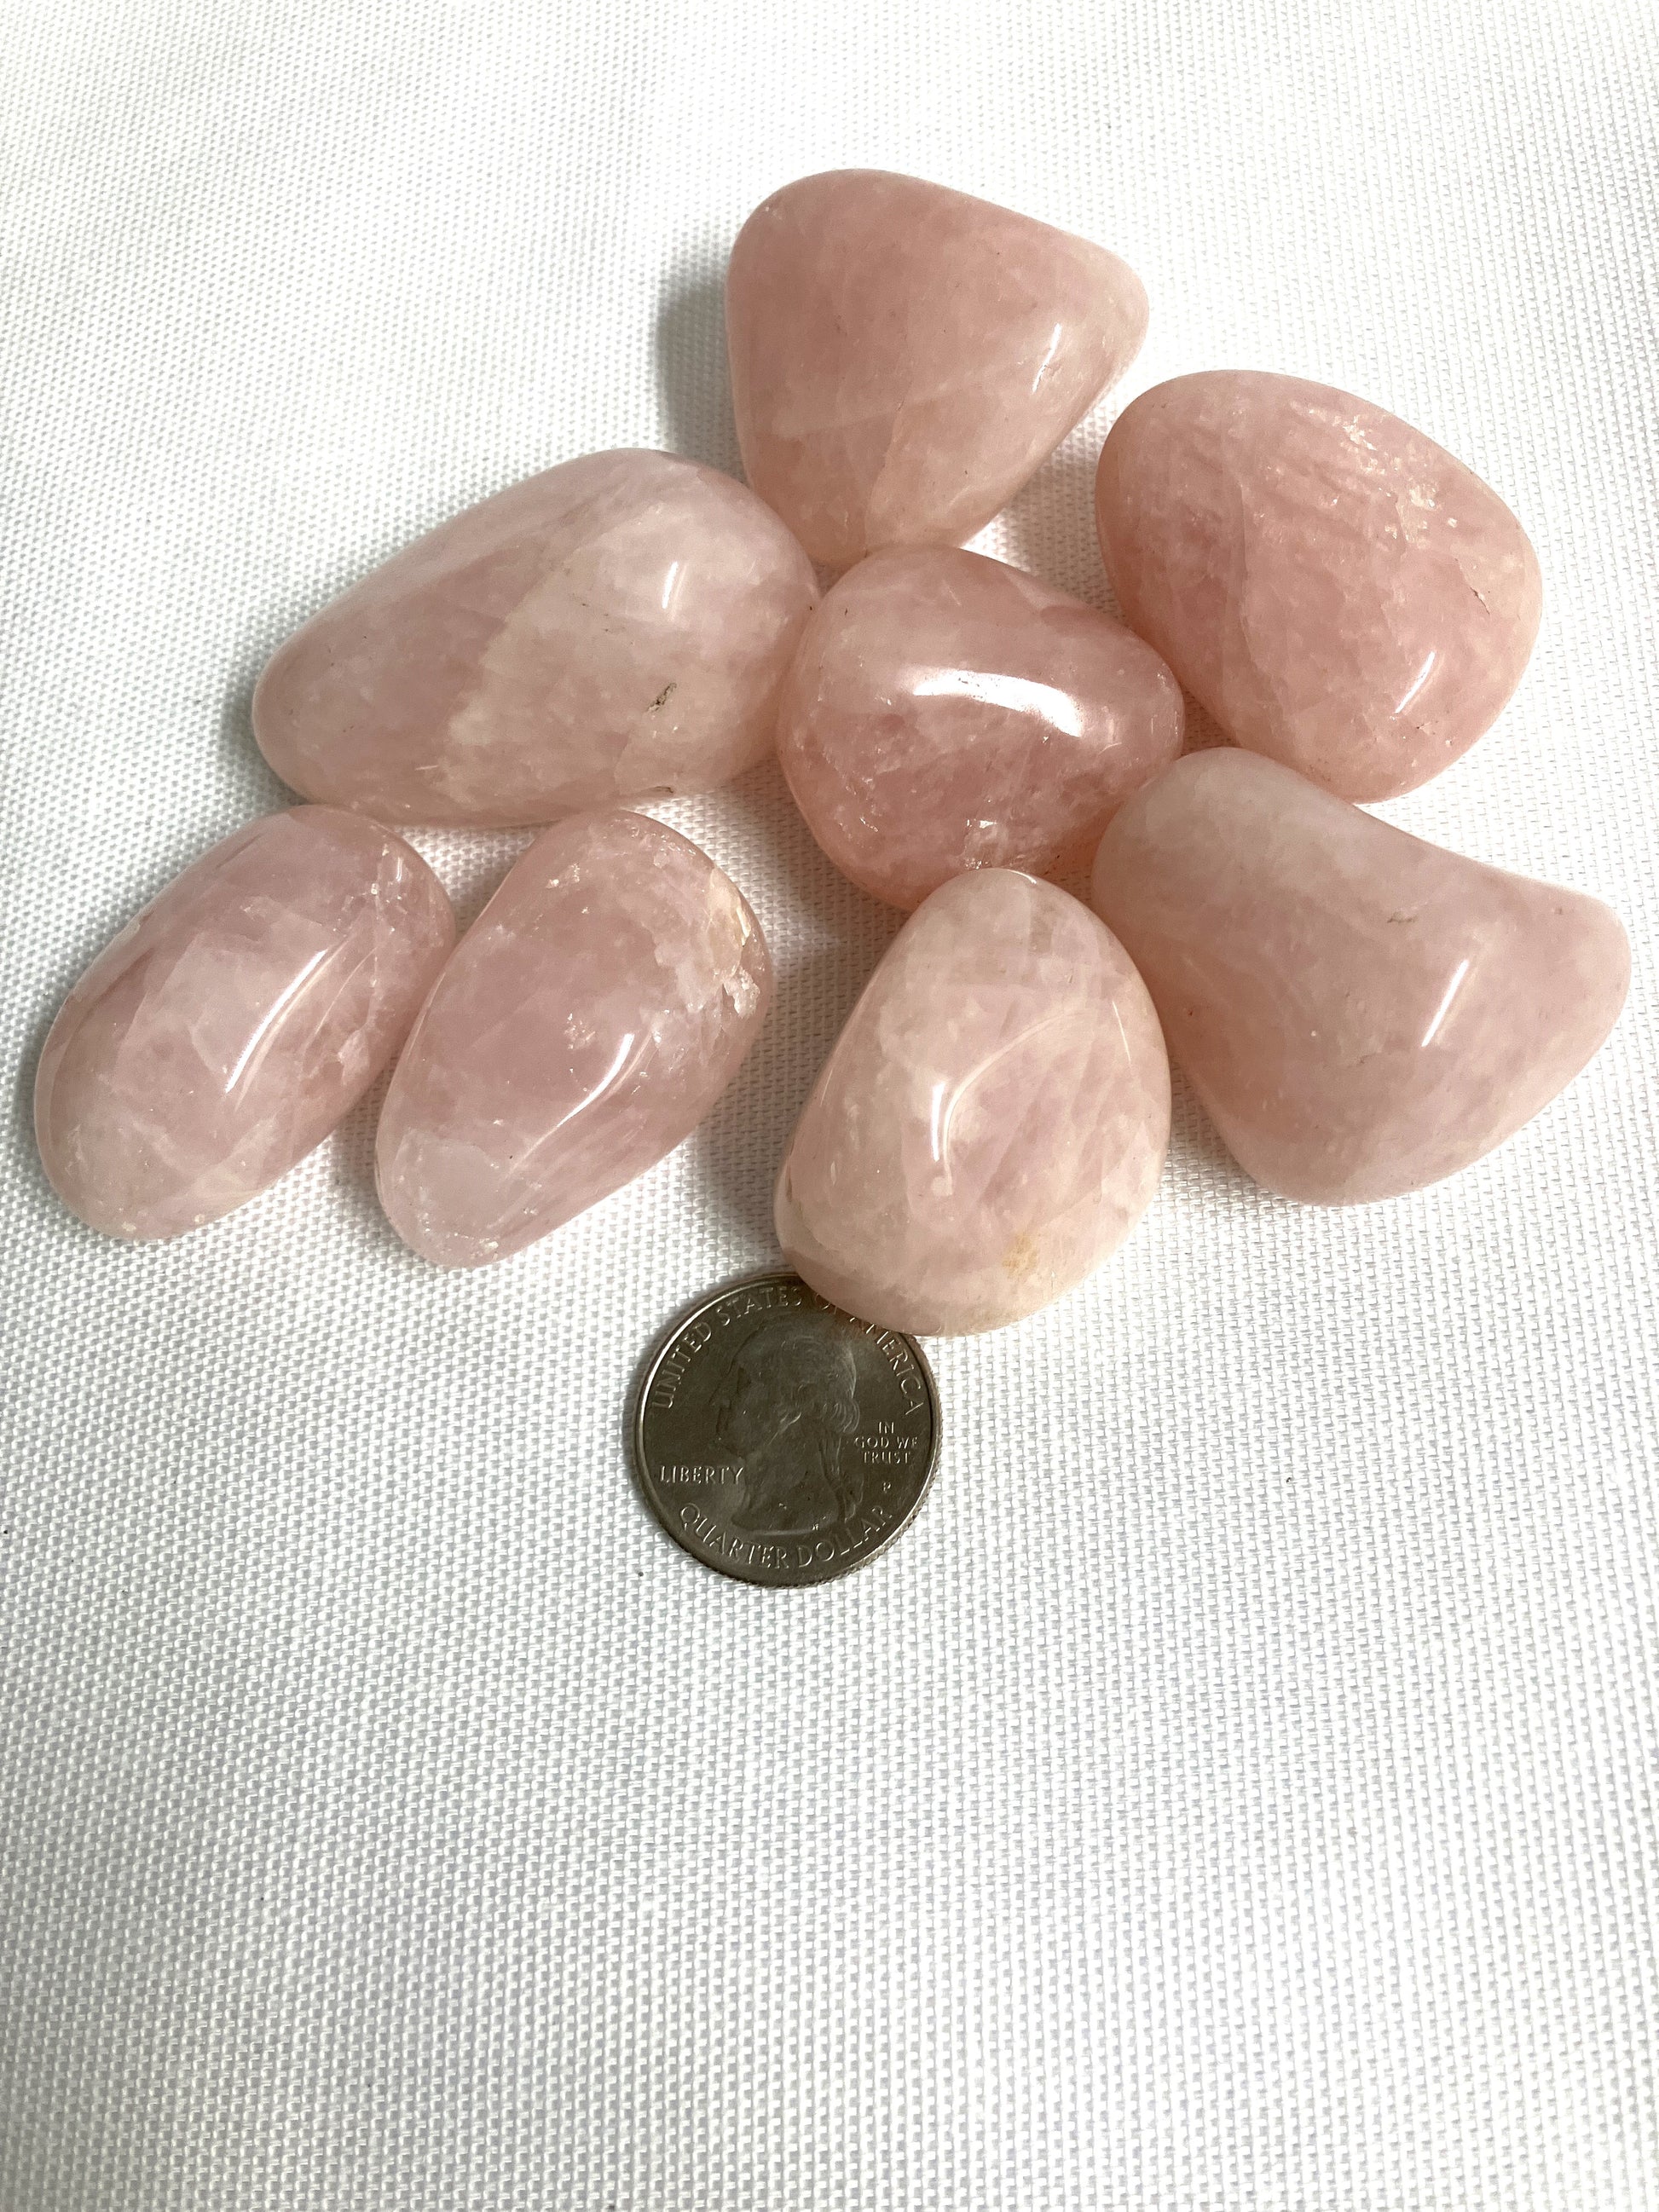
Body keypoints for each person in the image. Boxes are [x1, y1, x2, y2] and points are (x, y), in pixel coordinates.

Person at [712, 1312, 863, 1534]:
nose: (719, 1398)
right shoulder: (755, 1512)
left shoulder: (805, 1514)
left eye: (743, 1383)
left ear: (794, 1404)